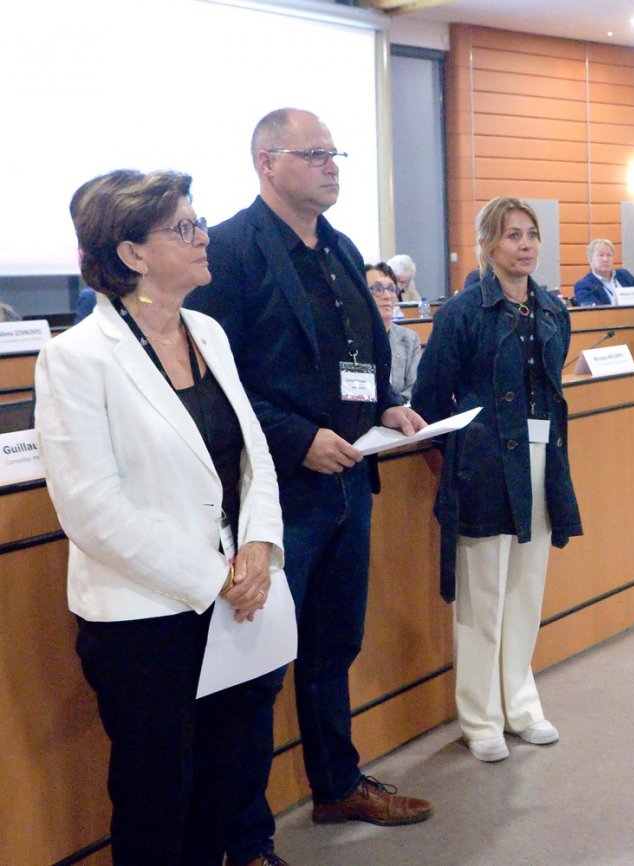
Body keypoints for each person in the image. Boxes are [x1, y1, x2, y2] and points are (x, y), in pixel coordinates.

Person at [186, 108, 432, 866]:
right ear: (267, 162)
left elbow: (360, 353)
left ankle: (336, 784)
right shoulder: (231, 250)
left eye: (335, 153)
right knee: (257, 671)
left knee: (333, 645)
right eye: (314, 153)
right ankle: (245, 840)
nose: (332, 165)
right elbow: (213, 379)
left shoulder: (342, 247)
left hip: (350, 478)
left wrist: (383, 403)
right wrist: (297, 437)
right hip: (276, 494)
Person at [36, 169, 284, 866]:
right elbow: (92, 510)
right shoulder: (75, 357)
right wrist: (217, 578)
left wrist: (259, 546)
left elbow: (254, 454)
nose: (204, 237)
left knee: (222, 790)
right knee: (157, 803)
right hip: (143, 621)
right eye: (184, 227)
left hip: (234, 602)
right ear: (132, 253)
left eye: (198, 222)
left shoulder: (208, 332)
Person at [411, 196, 583, 763]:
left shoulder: (553, 309)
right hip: (483, 466)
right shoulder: (462, 312)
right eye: (513, 235)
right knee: (482, 596)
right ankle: (479, 717)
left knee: (526, 591)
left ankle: (521, 705)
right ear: (488, 244)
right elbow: (429, 400)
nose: (525, 245)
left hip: (543, 459)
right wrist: (457, 461)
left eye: (532, 234)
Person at [368, 262, 422, 401]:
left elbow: (416, 387)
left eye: (391, 289)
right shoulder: (350, 341)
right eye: (377, 289)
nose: (387, 296)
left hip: (401, 410)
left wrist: (392, 407)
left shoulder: (409, 339)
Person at [572, 238, 634, 305]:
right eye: (601, 255)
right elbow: (593, 311)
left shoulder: (623, 275)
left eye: (609, 255)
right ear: (591, 259)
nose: (605, 259)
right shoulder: (584, 285)